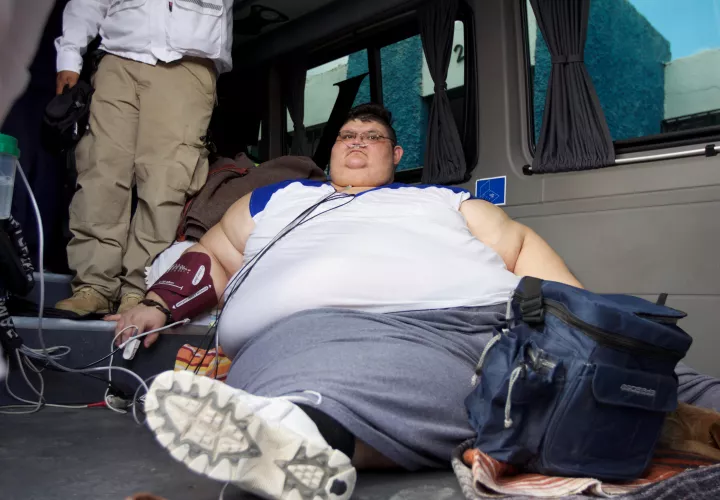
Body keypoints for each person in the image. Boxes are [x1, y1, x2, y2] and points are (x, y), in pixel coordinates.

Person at [110, 104, 720, 500]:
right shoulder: (278, 201)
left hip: (499, 321)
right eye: (347, 136)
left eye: (373, 138)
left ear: (396, 156)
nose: (357, 144)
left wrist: (594, 331)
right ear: (330, 152)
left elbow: (518, 246)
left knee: (657, 379)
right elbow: (212, 258)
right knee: (330, 379)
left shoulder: (443, 199)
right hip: (343, 334)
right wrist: (158, 304)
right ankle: (297, 437)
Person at [53, 0, 234, 316]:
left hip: (188, 59)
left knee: (167, 181)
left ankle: (141, 290)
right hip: (118, 56)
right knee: (101, 172)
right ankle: (93, 285)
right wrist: (70, 54)